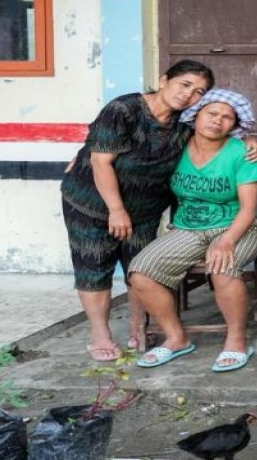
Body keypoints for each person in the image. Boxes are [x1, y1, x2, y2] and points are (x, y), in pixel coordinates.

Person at [60, 60, 215, 362]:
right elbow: (101, 161)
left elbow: (220, 135)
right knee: (94, 265)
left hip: (145, 210)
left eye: (198, 92)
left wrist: (249, 142)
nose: (188, 96)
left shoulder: (185, 123)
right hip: (91, 203)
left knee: (141, 266)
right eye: (184, 85)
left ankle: (138, 327)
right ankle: (100, 333)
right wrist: (116, 210)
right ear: (164, 79)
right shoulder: (124, 110)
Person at [130, 89, 257, 372]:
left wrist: (226, 241)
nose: (217, 121)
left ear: (235, 125)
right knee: (141, 272)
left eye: (227, 117)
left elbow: (248, 209)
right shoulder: (176, 145)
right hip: (188, 228)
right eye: (212, 113)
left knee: (222, 268)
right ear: (196, 115)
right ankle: (176, 338)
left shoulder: (242, 152)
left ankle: (237, 340)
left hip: (239, 226)